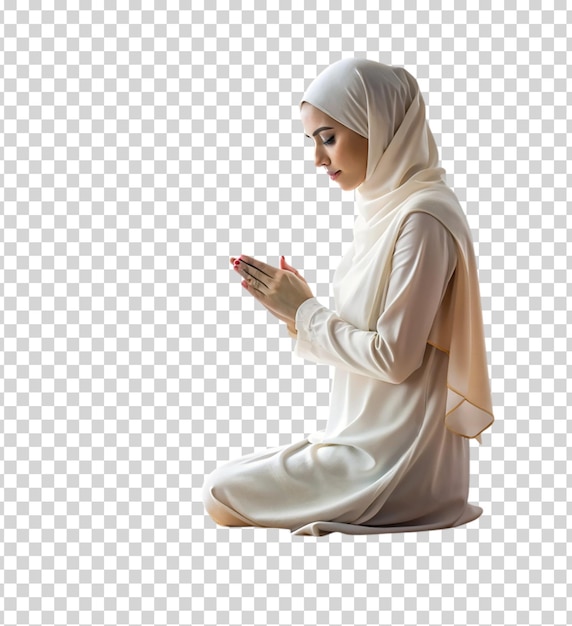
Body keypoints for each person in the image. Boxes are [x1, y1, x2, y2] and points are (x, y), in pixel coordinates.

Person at [202, 58, 494, 536]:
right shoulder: (386, 209)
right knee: (227, 487)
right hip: (359, 442)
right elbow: (366, 335)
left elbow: (393, 358)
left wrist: (307, 311)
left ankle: (384, 496)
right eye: (313, 141)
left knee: (219, 491)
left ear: (377, 125)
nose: (318, 159)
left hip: (398, 463)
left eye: (329, 137)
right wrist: (294, 312)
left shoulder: (423, 220)